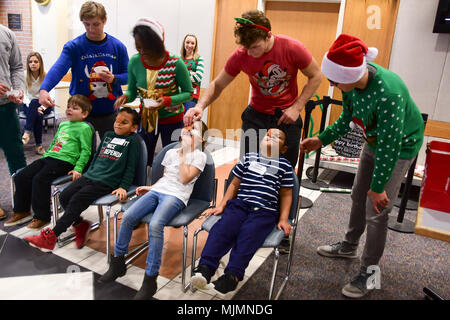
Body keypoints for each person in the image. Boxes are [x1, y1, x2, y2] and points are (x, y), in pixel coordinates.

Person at [300, 34, 425, 299]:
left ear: (349, 75)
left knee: (377, 210)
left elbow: (390, 146)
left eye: (334, 80)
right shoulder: (351, 87)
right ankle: (349, 245)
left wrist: (379, 188)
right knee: (358, 194)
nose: (332, 85)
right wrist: (321, 139)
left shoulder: (389, 92)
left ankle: (369, 272)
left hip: (399, 146)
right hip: (373, 139)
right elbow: (347, 118)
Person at [184, 10, 322, 168]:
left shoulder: (291, 47)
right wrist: (200, 106)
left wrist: (297, 107)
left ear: (268, 35)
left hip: (286, 116)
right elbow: (218, 84)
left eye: (255, 47)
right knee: (249, 168)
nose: (250, 53)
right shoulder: (241, 54)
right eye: (246, 47)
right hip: (256, 116)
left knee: (284, 171)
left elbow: (316, 76)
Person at [97, 120, 208, 300]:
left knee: (156, 224)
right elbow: (165, 178)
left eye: (193, 130)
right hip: (159, 190)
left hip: (176, 196)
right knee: (129, 216)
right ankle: (118, 263)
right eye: (186, 129)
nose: (187, 131)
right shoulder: (171, 152)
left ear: (201, 138)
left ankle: (150, 278)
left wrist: (184, 154)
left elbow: (185, 178)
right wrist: (150, 188)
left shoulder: (199, 156)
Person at [191, 127, 293, 294]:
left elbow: (286, 194)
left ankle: (233, 275)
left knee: (248, 237)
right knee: (222, 230)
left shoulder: (285, 166)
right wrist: (222, 205)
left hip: (264, 212)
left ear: (283, 149)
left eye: (278, 137)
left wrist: (283, 219)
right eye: (268, 135)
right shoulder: (248, 158)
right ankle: (205, 268)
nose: (271, 138)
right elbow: (233, 184)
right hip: (239, 206)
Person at [24, 107, 140, 251]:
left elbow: (131, 166)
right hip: (91, 176)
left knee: (77, 200)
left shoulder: (133, 141)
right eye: (116, 121)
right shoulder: (108, 135)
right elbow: (96, 157)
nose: (118, 124)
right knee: (64, 197)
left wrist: (123, 186)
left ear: (134, 127)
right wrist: (86, 173)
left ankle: (51, 237)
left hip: (107, 181)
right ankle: (80, 225)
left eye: (124, 123)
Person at [39, 1, 129, 141]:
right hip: (81, 112)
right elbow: (58, 69)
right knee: (82, 155)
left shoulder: (118, 46)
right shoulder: (74, 46)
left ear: (104, 21)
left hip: (110, 111)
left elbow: (128, 76)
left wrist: (114, 79)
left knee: (112, 153)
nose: (91, 29)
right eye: (87, 24)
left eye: (96, 24)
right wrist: (44, 89)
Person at [5, 95, 93, 229]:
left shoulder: (84, 128)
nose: (69, 110)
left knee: (40, 179)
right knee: (22, 176)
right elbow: (55, 143)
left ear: (84, 114)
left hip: (65, 161)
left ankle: (42, 217)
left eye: (75, 108)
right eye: (69, 107)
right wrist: (46, 155)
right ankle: (22, 211)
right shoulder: (63, 124)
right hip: (50, 157)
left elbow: (86, 151)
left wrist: (79, 168)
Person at [114, 17, 193, 167]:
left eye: (146, 48)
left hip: (172, 118)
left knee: (172, 159)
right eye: (138, 47)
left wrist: (168, 100)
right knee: (142, 158)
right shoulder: (135, 61)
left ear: (158, 44)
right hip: (146, 118)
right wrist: (125, 97)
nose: (142, 51)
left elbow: (189, 93)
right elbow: (132, 90)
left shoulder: (175, 62)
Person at [0, 24, 27, 221]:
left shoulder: (6, 33)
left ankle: (23, 202)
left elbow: (17, 67)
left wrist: (17, 90)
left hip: (7, 107)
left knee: (16, 154)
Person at [21, 52, 55, 155]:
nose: (33, 64)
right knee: (37, 112)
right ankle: (39, 146)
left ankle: (27, 132)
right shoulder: (24, 75)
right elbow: (24, 95)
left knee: (37, 105)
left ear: (40, 63)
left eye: (36, 61)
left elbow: (51, 95)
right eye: (30, 62)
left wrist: (42, 107)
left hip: (45, 105)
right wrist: (35, 106)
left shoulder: (46, 75)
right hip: (29, 105)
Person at [180, 34, 204, 112]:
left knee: (187, 119)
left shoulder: (199, 59)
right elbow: (174, 77)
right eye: (187, 42)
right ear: (184, 44)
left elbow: (198, 77)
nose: (190, 45)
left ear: (195, 45)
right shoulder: (179, 59)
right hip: (179, 95)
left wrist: (182, 77)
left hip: (192, 95)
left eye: (192, 43)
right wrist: (189, 73)